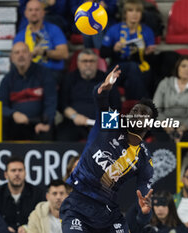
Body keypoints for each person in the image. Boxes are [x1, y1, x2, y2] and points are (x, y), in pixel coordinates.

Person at [60, 65, 158, 233]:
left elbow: (144, 205)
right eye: (135, 110)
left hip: (108, 214)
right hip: (78, 205)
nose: (137, 114)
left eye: (143, 114)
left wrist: (145, 213)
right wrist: (103, 88)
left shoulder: (144, 159)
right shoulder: (113, 123)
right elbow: (101, 100)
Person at [56, 49, 121, 142]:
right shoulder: (68, 79)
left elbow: (116, 105)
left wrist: (102, 123)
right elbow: (62, 105)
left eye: (92, 61)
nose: (88, 64)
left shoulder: (107, 80)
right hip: (74, 122)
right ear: (78, 63)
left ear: (97, 63)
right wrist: (75, 116)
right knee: (62, 136)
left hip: (101, 123)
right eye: (84, 61)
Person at [0, 42, 57, 141]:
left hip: (38, 122)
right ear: (12, 58)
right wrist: (13, 114)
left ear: (30, 55)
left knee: (47, 132)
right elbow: (0, 105)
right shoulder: (7, 80)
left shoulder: (44, 74)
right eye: (17, 53)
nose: (21, 55)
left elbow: (51, 101)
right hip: (15, 124)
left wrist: (47, 123)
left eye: (24, 52)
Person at [100, 0, 156, 99]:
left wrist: (148, 53)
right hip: (117, 66)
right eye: (130, 10)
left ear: (141, 14)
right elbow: (102, 53)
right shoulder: (114, 29)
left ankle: (132, 104)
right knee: (133, 68)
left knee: (136, 75)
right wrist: (114, 49)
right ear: (125, 14)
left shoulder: (147, 31)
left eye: (138, 11)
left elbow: (149, 59)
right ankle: (143, 103)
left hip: (139, 66)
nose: (134, 14)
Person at [14, 0, 69, 85]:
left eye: (37, 10)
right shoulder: (20, 36)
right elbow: (14, 58)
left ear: (43, 12)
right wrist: (28, 55)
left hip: (52, 72)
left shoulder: (54, 29)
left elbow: (64, 54)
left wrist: (44, 52)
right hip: (30, 72)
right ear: (25, 13)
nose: (34, 13)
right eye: (30, 10)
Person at [153, 55, 188, 143]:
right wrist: (167, 126)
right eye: (183, 66)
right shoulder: (165, 83)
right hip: (164, 124)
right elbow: (155, 108)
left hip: (186, 126)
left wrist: (181, 129)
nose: (186, 69)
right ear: (178, 68)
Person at [0, 156, 45, 233]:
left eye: (20, 170)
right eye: (13, 170)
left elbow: (43, 219)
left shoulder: (38, 194)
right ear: (6, 175)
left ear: (25, 173)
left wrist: (27, 227)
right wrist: (4, 228)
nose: (17, 174)